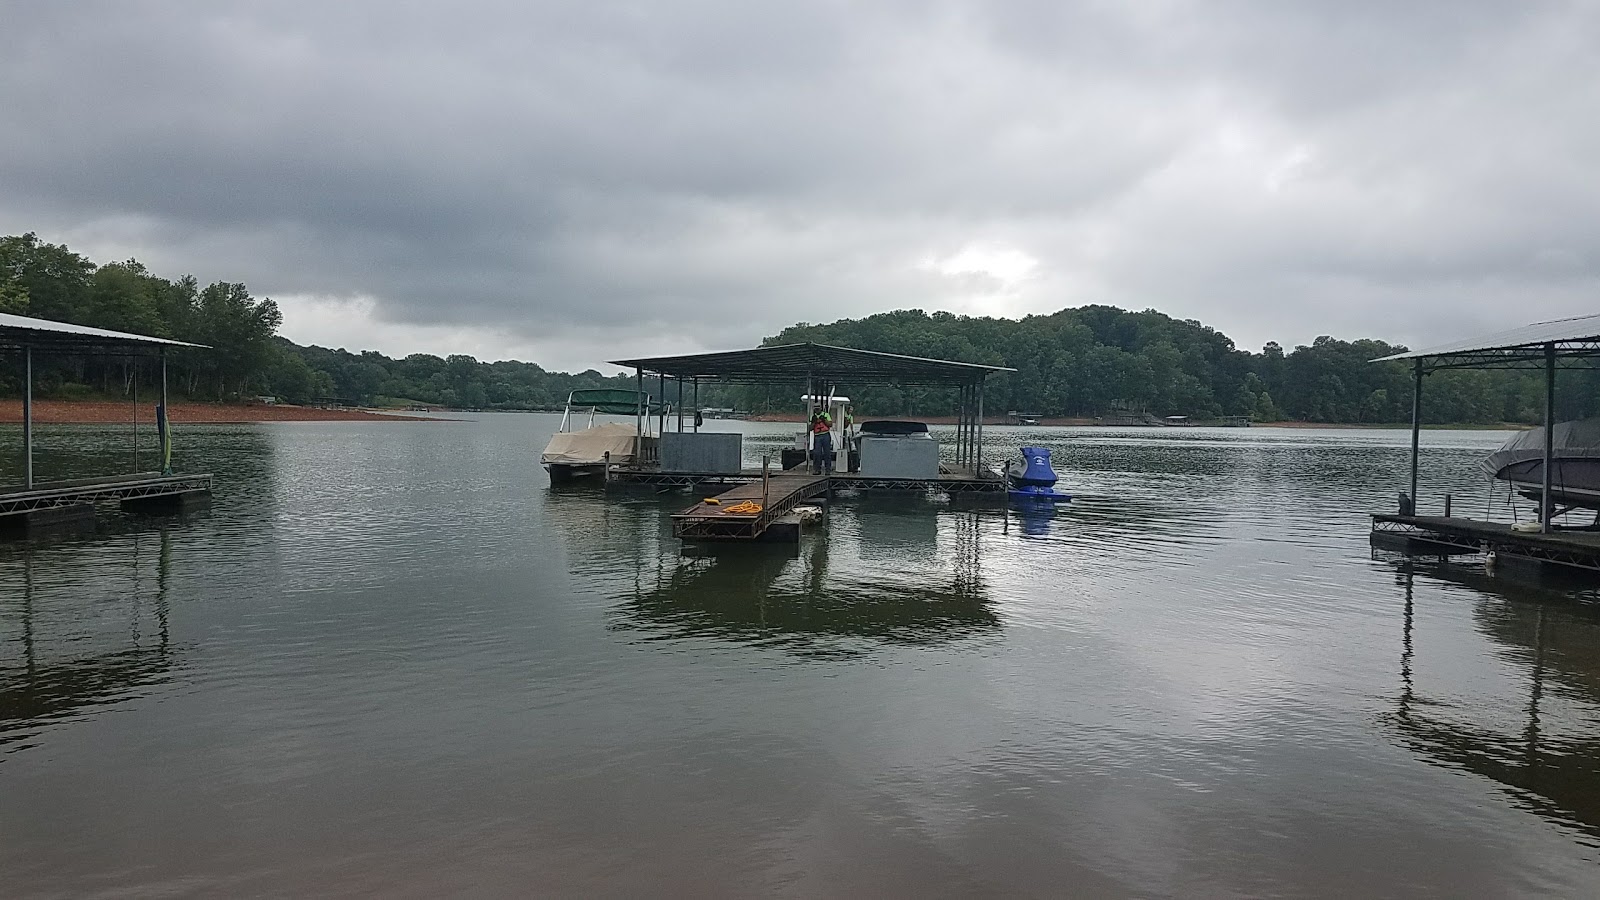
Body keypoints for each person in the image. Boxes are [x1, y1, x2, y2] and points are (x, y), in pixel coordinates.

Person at [809, 408, 834, 474]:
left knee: (827, 453)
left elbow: (830, 424)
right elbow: (810, 428)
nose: (817, 410)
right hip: (817, 436)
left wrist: (824, 420)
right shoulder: (813, 417)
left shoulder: (826, 415)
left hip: (825, 435)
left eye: (818, 408)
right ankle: (817, 469)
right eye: (816, 408)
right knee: (817, 453)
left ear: (821, 409)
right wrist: (814, 422)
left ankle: (828, 469)